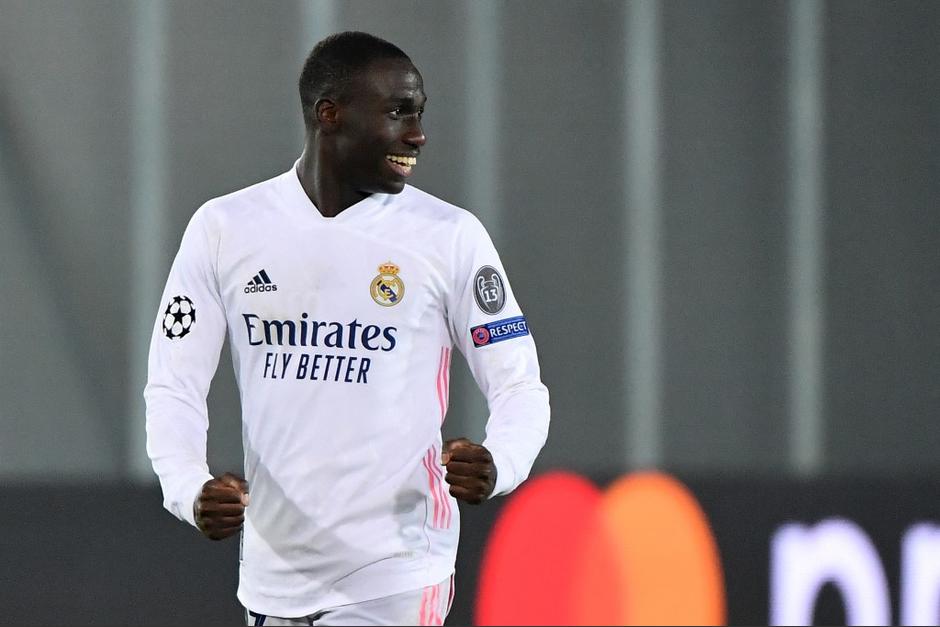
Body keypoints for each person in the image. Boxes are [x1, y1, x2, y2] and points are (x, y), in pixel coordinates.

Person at [145, 31, 549, 626]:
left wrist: (501, 461)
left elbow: (520, 386)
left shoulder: (450, 237)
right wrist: (188, 488)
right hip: (270, 581)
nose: (417, 135)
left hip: (397, 575)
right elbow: (173, 385)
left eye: (419, 113)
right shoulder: (225, 228)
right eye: (397, 112)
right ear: (328, 114)